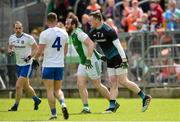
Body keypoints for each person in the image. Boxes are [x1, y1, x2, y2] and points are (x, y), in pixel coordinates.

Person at [88, 10, 152, 113]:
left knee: (123, 81)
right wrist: (99, 55)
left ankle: (145, 97)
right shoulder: (92, 32)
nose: (89, 22)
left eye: (91, 20)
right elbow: (89, 45)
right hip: (109, 59)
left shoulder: (109, 30)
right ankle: (112, 107)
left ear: (97, 20)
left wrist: (124, 60)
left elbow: (119, 46)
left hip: (118, 57)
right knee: (112, 82)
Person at [65, 13, 115, 113]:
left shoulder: (79, 34)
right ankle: (86, 108)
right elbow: (87, 46)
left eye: (68, 24)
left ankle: (113, 103)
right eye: (65, 23)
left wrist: (89, 59)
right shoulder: (73, 34)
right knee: (80, 84)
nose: (66, 25)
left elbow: (91, 44)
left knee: (97, 85)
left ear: (73, 25)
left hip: (91, 61)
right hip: (84, 62)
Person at [33, 12, 69, 120]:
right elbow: (65, 51)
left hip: (48, 65)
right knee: (58, 90)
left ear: (47, 21)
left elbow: (39, 50)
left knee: (49, 90)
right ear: (56, 20)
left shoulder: (44, 34)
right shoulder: (64, 33)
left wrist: (35, 59)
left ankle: (54, 114)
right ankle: (63, 104)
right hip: (59, 65)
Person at [8, 21, 41, 111]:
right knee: (26, 86)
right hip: (18, 64)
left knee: (18, 86)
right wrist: (10, 51)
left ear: (22, 28)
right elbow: (10, 46)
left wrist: (30, 57)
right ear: (14, 29)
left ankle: (15, 106)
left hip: (27, 65)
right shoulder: (11, 37)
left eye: (19, 28)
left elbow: (36, 48)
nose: (18, 30)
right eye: (16, 28)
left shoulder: (28, 37)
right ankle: (36, 100)